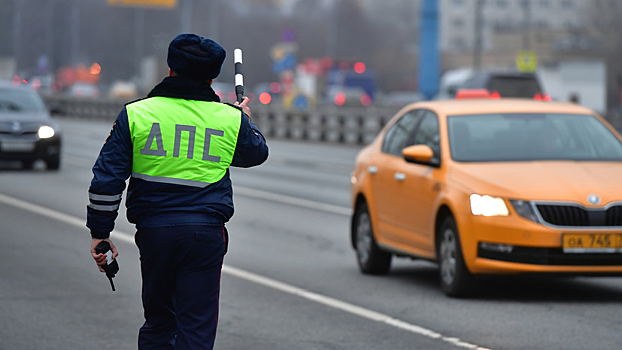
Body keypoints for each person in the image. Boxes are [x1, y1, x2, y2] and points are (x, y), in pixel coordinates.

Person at [87, 33, 269, 349]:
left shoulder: (137, 114)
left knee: (159, 322)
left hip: (155, 234)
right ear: (212, 76)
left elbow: (106, 180)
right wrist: (243, 120)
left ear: (171, 69)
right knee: (196, 328)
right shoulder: (228, 119)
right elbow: (255, 154)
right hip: (205, 236)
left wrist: (100, 233)